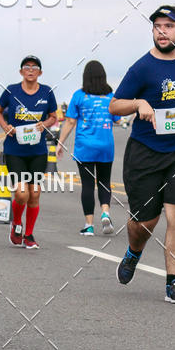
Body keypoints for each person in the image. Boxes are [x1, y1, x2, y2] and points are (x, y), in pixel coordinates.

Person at [109, 5, 175, 304]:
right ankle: (133, 252)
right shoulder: (141, 68)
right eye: (157, 26)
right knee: (144, 223)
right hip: (146, 151)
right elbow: (114, 106)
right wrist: (138, 102)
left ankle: (173, 283)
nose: (162, 31)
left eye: (168, 26)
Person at [0, 56, 57, 249]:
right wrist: (5, 126)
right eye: (27, 67)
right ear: (21, 71)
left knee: (34, 192)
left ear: (40, 72)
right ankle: (16, 224)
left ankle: (29, 235)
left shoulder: (47, 92)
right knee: (21, 193)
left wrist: (44, 124)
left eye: (34, 67)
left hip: (38, 151)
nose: (30, 70)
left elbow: (54, 116)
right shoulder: (11, 91)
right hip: (15, 150)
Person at [57, 60, 120, 235]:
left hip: (85, 146)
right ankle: (106, 212)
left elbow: (70, 121)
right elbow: (118, 119)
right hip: (106, 145)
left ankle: (89, 226)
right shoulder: (110, 97)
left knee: (87, 184)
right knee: (104, 182)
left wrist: (60, 142)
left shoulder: (78, 96)